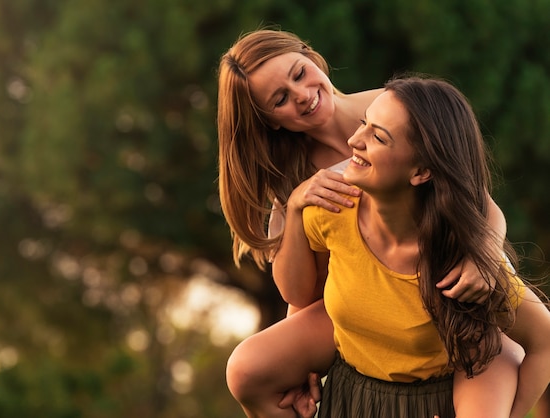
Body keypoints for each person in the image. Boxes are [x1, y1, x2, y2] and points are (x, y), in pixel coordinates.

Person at [218, 29, 519, 417]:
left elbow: (482, 204)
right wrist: (302, 362)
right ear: (269, 120)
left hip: (436, 283)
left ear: (312, 56)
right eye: (280, 100)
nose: (302, 95)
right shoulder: (293, 177)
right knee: (246, 370)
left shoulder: (392, 107)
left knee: (515, 349)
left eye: (299, 73)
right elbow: (304, 291)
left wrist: (486, 256)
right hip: (360, 302)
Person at [275, 75, 550, 417]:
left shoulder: (460, 262)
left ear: (421, 171)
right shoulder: (330, 208)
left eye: (377, 136)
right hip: (354, 391)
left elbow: (544, 341)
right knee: (246, 369)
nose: (353, 141)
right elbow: (301, 297)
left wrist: (514, 413)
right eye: (364, 124)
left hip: (448, 389)